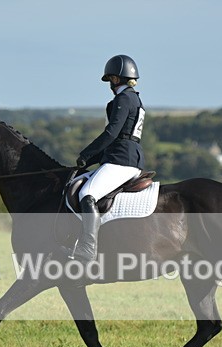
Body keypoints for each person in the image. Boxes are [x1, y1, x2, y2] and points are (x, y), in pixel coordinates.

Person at [68, 54, 146, 263]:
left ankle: (88, 248)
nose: (109, 84)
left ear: (116, 78)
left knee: (87, 193)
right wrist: (90, 161)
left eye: (110, 79)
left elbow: (112, 133)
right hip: (126, 156)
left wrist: (86, 153)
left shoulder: (123, 99)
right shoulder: (135, 98)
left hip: (122, 160)